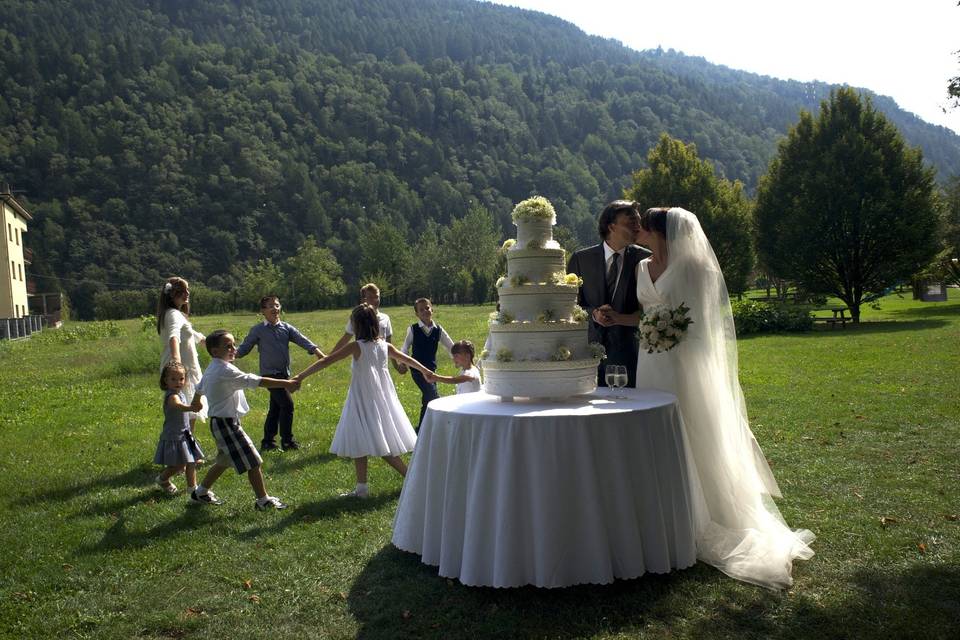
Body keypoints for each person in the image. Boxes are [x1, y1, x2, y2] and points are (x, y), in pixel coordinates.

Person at [633, 206, 815, 589]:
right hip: (649, 357)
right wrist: (643, 327)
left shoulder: (695, 265)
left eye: (646, 228)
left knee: (693, 427)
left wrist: (672, 331)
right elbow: (646, 310)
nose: (640, 232)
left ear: (660, 231)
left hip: (683, 359)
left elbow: (704, 317)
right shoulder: (641, 266)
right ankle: (662, 506)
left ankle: (705, 511)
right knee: (655, 423)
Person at [294, 304, 431, 499]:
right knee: (360, 438)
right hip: (376, 398)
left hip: (365, 398)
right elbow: (407, 360)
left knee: (382, 445)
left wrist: (300, 376)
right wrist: (426, 371)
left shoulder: (357, 346)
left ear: (357, 326)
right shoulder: (384, 345)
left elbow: (327, 361)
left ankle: (413, 479)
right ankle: (361, 489)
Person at [192, 329, 299, 510]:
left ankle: (200, 492)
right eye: (228, 346)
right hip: (226, 425)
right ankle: (263, 501)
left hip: (221, 423)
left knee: (223, 461)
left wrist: (196, 404)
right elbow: (256, 381)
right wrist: (286, 383)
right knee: (254, 461)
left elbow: (199, 388)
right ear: (215, 351)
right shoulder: (224, 370)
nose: (234, 348)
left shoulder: (214, 367)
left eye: (234, 344)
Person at [566, 201, 650, 387]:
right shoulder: (581, 259)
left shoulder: (645, 259)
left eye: (639, 222)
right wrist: (593, 314)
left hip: (631, 355)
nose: (638, 227)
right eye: (631, 222)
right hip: (587, 355)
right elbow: (568, 305)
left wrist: (621, 318)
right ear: (612, 226)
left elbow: (651, 309)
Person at [235, 295, 324, 451]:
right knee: (287, 405)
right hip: (269, 375)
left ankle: (268, 442)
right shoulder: (258, 330)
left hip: (284, 374)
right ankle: (287, 441)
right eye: (270, 306)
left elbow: (302, 339)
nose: (274, 308)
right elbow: (244, 348)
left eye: (276, 305)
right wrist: (230, 355)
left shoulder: (286, 328)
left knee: (275, 408)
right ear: (263, 311)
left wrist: (317, 352)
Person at [157, 277, 208, 433]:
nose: (187, 293)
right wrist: (177, 364)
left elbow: (191, 333)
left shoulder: (176, 314)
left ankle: (186, 446)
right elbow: (174, 337)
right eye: (182, 291)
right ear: (172, 294)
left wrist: (207, 341)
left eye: (188, 290)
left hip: (186, 368)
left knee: (189, 411)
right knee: (186, 411)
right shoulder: (173, 314)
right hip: (182, 368)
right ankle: (185, 447)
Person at [397, 298, 454, 428]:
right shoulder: (413, 329)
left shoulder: (438, 330)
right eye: (421, 310)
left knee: (427, 398)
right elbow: (405, 347)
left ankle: (422, 427)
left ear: (432, 309)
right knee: (433, 395)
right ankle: (443, 425)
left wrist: (458, 358)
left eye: (427, 308)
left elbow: (450, 345)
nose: (425, 311)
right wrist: (402, 363)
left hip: (431, 371)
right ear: (417, 314)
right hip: (417, 371)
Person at [154, 362, 205, 495]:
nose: (178, 382)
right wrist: (191, 408)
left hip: (185, 434)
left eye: (181, 379)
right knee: (178, 465)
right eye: (173, 379)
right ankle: (162, 479)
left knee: (192, 461)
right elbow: (178, 405)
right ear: (165, 381)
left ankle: (192, 488)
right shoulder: (172, 396)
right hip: (175, 435)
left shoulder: (180, 393)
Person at [329, 283, 401, 371]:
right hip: (363, 363)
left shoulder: (385, 318)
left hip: (381, 364)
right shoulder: (357, 317)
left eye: (377, 297)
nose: (375, 300)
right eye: (370, 297)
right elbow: (345, 339)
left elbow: (389, 343)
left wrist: (396, 366)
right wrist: (329, 357)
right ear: (363, 300)